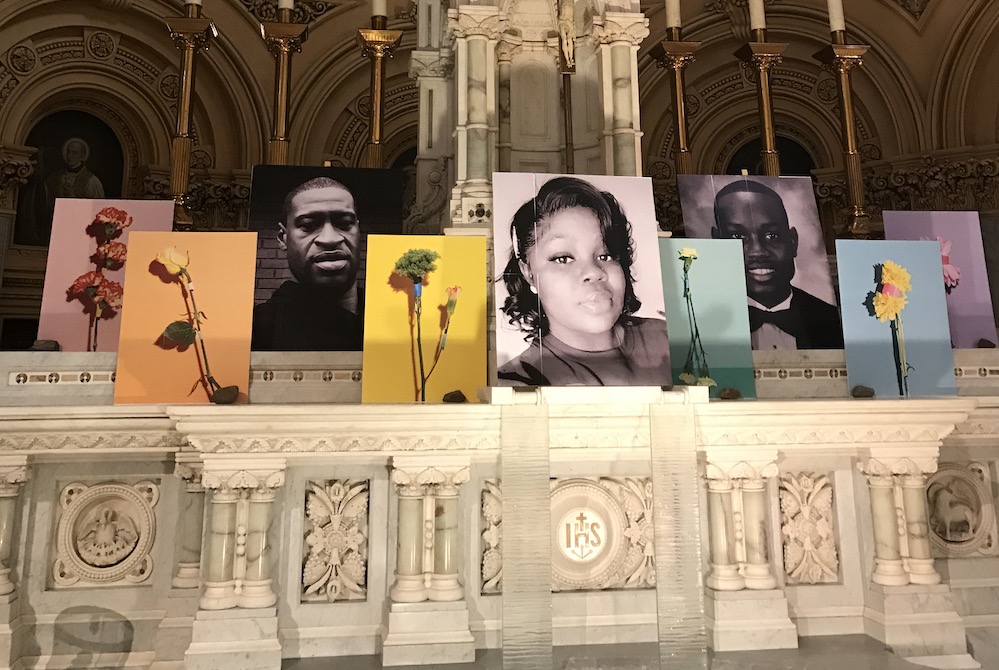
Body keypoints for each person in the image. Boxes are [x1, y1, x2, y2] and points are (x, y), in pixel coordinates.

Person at [497, 176, 670, 386]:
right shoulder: (520, 382)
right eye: (563, 258)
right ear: (528, 273)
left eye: (605, 255)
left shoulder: (670, 340)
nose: (594, 272)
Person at [711, 179, 843, 350]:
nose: (757, 251)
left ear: (793, 241)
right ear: (715, 243)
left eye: (771, 236)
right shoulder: (702, 322)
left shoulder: (829, 318)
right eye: (737, 236)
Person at [251, 177, 363, 351]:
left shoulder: (396, 319)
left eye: (344, 224)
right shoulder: (258, 328)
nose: (330, 239)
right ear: (283, 238)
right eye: (308, 225)